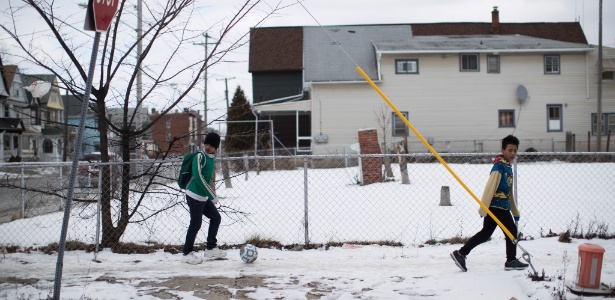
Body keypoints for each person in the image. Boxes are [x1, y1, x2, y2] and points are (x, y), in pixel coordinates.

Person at [450, 135, 528, 272]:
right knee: (511, 231)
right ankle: (511, 260)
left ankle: (461, 253)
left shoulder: (507, 168)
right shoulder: (499, 167)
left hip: (501, 206)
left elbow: (509, 193)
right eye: (510, 150)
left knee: (485, 233)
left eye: (515, 150)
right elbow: (489, 188)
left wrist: (515, 212)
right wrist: (483, 208)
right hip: (496, 206)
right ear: (502, 150)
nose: (513, 153)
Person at [182, 132, 227, 264]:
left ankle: (211, 248)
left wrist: (209, 194)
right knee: (196, 224)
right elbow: (198, 178)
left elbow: (206, 180)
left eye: (211, 145)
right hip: (194, 195)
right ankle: (186, 254)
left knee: (216, 217)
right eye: (207, 144)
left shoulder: (211, 157)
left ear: (215, 147)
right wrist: (212, 195)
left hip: (202, 196)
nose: (208, 147)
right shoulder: (199, 156)